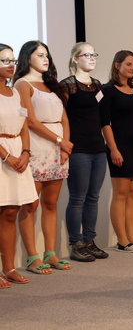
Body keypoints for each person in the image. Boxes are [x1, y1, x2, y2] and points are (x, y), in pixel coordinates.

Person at [14, 40, 72, 273]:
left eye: (47, 54)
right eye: (40, 55)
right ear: (28, 57)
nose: (45, 58)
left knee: (51, 203)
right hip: (37, 147)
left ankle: (51, 253)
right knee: (31, 204)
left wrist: (65, 145)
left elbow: (64, 118)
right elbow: (30, 121)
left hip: (58, 149)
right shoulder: (22, 83)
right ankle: (32, 257)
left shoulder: (52, 84)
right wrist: (60, 141)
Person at [59, 42, 108, 262]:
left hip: (98, 148)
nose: (91, 58)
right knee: (77, 198)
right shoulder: (67, 85)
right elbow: (62, 118)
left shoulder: (98, 85)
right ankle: (75, 243)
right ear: (75, 59)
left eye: (93, 54)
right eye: (86, 55)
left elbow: (102, 118)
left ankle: (89, 240)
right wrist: (65, 144)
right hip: (78, 149)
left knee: (93, 197)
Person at [99, 50, 133, 252]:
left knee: (132, 194)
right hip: (119, 148)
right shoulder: (108, 90)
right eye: (128, 64)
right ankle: (122, 240)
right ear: (117, 65)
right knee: (120, 194)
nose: (132, 68)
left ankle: (132, 238)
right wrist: (113, 149)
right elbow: (105, 123)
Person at [0, 44, 37, 287]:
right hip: (2, 156)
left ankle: (9, 268)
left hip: (18, 154)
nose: (11, 64)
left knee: (12, 211)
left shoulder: (16, 92)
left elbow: (24, 125)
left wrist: (25, 151)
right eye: (4, 60)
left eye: (12, 60)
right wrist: (6, 157)